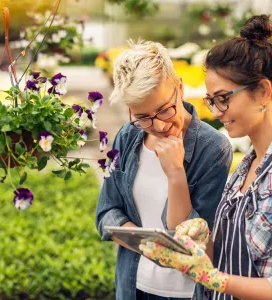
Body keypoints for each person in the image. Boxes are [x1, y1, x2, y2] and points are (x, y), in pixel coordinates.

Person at [140, 15, 272, 300]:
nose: (215, 112)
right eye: (211, 100)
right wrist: (198, 243)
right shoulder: (246, 167)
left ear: (262, 92)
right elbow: (225, 259)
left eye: (223, 98)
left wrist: (215, 279)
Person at [95, 40, 234, 300]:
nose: (158, 125)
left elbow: (192, 243)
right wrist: (149, 246)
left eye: (164, 110)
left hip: (184, 293)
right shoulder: (127, 137)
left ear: (180, 88)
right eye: (143, 117)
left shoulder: (213, 150)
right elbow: (106, 213)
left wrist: (175, 174)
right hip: (132, 286)